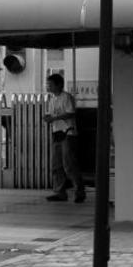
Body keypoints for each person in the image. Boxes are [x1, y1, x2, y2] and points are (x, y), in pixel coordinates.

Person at [43, 73, 84, 203]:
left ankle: (79, 192)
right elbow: (51, 114)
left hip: (68, 133)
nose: (48, 86)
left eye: (50, 84)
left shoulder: (67, 97)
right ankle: (59, 192)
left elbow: (71, 113)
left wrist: (54, 118)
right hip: (56, 133)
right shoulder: (52, 99)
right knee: (56, 165)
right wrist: (48, 118)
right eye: (47, 84)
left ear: (59, 84)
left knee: (69, 165)